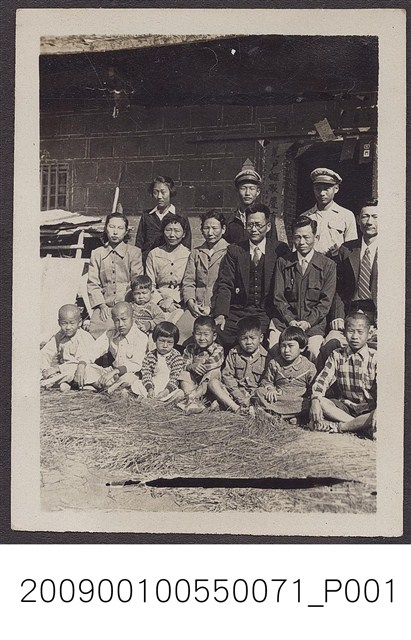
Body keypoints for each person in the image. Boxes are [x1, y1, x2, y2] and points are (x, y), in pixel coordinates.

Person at [214, 203, 290, 349]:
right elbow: (226, 284)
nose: (254, 229)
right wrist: (221, 314)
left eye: (258, 225)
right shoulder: (235, 250)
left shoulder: (279, 250)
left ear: (268, 226)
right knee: (219, 332)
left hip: (265, 312)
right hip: (238, 311)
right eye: (250, 225)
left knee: (260, 339)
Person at [318, 200, 378, 366]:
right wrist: (338, 316)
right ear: (358, 220)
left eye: (375, 216)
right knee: (329, 346)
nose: (369, 221)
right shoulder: (347, 249)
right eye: (365, 216)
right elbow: (338, 288)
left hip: (376, 315)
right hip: (350, 313)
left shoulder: (393, 249)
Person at [270, 216, 336, 363]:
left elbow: (325, 302)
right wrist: (290, 320)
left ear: (315, 237)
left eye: (306, 237)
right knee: (274, 347)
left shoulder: (328, 265)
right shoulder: (283, 262)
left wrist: (308, 322)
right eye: (297, 237)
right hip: (285, 322)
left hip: (313, 325)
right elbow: (278, 297)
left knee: (313, 350)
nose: (302, 242)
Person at [310, 313, 377, 437]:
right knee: (321, 402)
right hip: (345, 408)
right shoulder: (337, 355)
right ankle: (360, 427)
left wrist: (379, 410)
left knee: (384, 411)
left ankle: (342, 427)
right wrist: (315, 400)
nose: (355, 337)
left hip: (369, 409)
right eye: (351, 331)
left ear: (369, 333)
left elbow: (386, 392)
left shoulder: (376, 357)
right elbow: (323, 380)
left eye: (360, 332)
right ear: (344, 333)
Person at [87, 213, 143, 338]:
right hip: (105, 306)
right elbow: (92, 283)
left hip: (128, 305)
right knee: (97, 331)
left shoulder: (134, 253)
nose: (115, 232)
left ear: (126, 231)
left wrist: (126, 305)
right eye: (112, 227)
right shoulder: (97, 253)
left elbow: (137, 282)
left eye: (120, 228)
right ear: (106, 228)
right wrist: (101, 305)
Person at [177, 209, 228, 344]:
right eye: (206, 228)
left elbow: (227, 286)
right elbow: (189, 281)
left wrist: (213, 307)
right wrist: (191, 302)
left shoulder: (229, 251)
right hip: (197, 307)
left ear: (223, 229)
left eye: (214, 228)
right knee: (180, 331)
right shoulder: (196, 253)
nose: (210, 232)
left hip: (218, 308)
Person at [254, 326, 316, 422]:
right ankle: (291, 416)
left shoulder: (309, 367)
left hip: (297, 400)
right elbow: (266, 381)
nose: (286, 350)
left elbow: (313, 388)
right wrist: (271, 389)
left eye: (290, 346)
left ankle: (275, 415)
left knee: (309, 403)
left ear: (302, 348)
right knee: (259, 392)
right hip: (278, 397)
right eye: (283, 346)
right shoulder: (274, 363)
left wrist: (304, 396)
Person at [208, 316, 267, 414]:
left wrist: (254, 394)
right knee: (213, 383)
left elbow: (267, 380)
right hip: (234, 392)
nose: (248, 342)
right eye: (244, 339)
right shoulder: (233, 353)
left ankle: (228, 405)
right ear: (238, 339)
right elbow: (227, 376)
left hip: (255, 394)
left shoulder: (266, 357)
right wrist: (239, 395)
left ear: (261, 338)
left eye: (252, 338)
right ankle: (236, 408)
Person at [86, 302, 148, 394]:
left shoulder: (141, 337)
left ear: (133, 318)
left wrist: (115, 371)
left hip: (130, 374)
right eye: (116, 320)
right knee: (85, 369)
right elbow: (93, 351)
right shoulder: (111, 333)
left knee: (128, 380)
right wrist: (82, 365)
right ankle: (110, 388)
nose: (121, 324)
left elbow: (136, 364)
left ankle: (103, 388)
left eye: (124, 319)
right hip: (112, 373)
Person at [134, 175, 192, 265]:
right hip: (148, 263)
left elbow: (186, 244)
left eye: (163, 192)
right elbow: (139, 243)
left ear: (170, 192)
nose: (159, 196)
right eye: (155, 192)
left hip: (172, 264)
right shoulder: (147, 216)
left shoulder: (180, 216)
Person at [300, 168, 357, 257]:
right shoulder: (305, 217)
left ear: (336, 189)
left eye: (326, 189)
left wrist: (340, 251)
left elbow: (351, 249)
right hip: (311, 264)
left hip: (336, 263)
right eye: (318, 189)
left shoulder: (346, 215)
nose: (322, 193)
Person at [146, 212, 191, 324]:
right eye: (168, 230)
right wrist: (160, 301)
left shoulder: (189, 255)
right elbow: (150, 284)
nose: (172, 235)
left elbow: (188, 283)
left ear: (184, 234)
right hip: (156, 302)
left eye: (177, 231)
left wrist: (172, 300)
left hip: (180, 302)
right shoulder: (154, 254)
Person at [40, 304, 95, 391]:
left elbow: (82, 361)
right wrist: (45, 369)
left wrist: (57, 369)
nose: (68, 327)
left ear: (80, 322)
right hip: (64, 371)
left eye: (72, 323)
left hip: (79, 369)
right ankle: (64, 383)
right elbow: (46, 353)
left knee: (78, 371)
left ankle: (53, 382)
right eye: (64, 323)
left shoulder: (84, 337)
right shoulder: (59, 336)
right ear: (59, 323)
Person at [178, 316, 224, 414]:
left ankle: (193, 398)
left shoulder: (218, 349)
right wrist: (191, 366)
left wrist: (198, 365)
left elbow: (212, 363)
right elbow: (182, 364)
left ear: (214, 336)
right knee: (183, 373)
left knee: (214, 371)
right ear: (193, 334)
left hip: (208, 387)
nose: (202, 338)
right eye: (198, 334)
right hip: (193, 385)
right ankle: (192, 401)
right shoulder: (189, 348)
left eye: (206, 334)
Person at [131, 321, 185, 403]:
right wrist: (149, 388)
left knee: (179, 393)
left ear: (174, 342)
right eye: (162, 341)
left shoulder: (176, 356)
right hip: (153, 383)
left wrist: (166, 391)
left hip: (168, 386)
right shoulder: (150, 356)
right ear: (155, 339)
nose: (165, 345)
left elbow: (175, 377)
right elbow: (146, 373)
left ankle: (162, 401)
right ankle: (150, 398)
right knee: (136, 383)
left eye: (169, 342)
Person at [224, 164, 263, 244]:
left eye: (252, 189)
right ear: (237, 191)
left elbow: (272, 246)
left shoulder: (266, 218)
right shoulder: (230, 220)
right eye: (243, 188)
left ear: (258, 192)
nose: (247, 193)